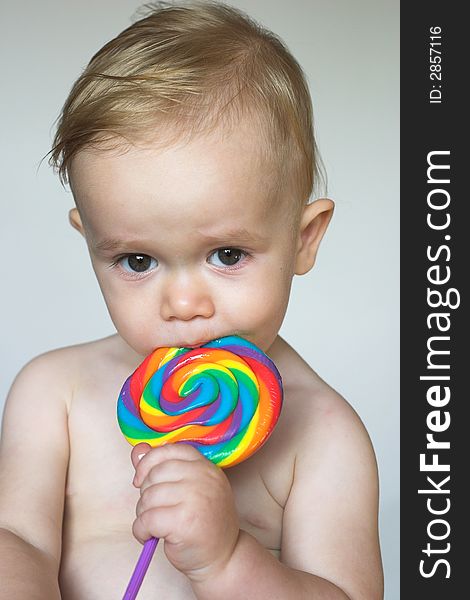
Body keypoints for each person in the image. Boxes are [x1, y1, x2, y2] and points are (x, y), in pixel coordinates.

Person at [0, 2, 383, 598]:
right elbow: (16, 539)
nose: (182, 304)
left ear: (303, 241)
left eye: (227, 254)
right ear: (91, 244)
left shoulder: (324, 436)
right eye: (137, 261)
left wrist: (229, 561)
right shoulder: (55, 394)